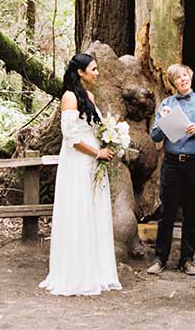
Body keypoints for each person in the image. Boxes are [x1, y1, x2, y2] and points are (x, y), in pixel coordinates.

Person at [39, 53, 122, 296]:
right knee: (79, 210)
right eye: (93, 69)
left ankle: (97, 270)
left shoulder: (90, 97)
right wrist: (98, 152)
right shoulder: (69, 98)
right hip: (79, 162)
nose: (97, 73)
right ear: (80, 72)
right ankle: (76, 272)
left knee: (95, 212)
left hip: (95, 161)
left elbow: (93, 129)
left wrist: (111, 140)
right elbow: (72, 136)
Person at [147, 63, 195, 276]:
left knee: (191, 214)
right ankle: (160, 259)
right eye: (178, 78)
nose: (183, 79)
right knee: (167, 213)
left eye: (185, 75)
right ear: (173, 83)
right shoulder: (167, 104)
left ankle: (187, 259)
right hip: (172, 163)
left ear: (191, 76)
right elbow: (155, 136)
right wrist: (164, 120)